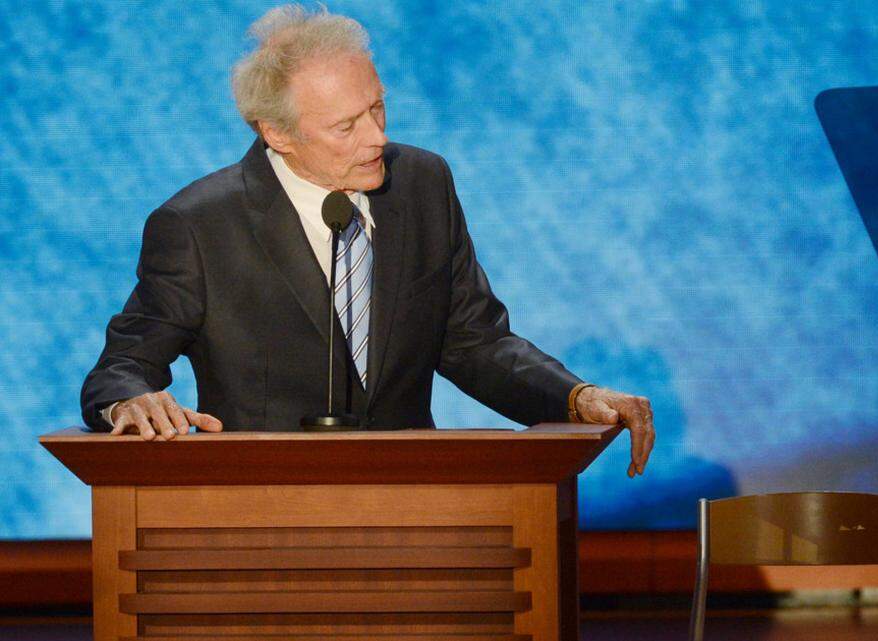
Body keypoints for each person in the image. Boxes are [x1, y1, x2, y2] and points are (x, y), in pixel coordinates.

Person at [80, 5, 654, 477]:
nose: (378, 137)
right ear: (277, 132)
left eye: (377, 107)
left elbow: (473, 342)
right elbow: (124, 363)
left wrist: (575, 397)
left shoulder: (423, 184)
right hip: (260, 510)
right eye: (345, 126)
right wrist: (129, 400)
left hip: (413, 503)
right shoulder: (199, 224)